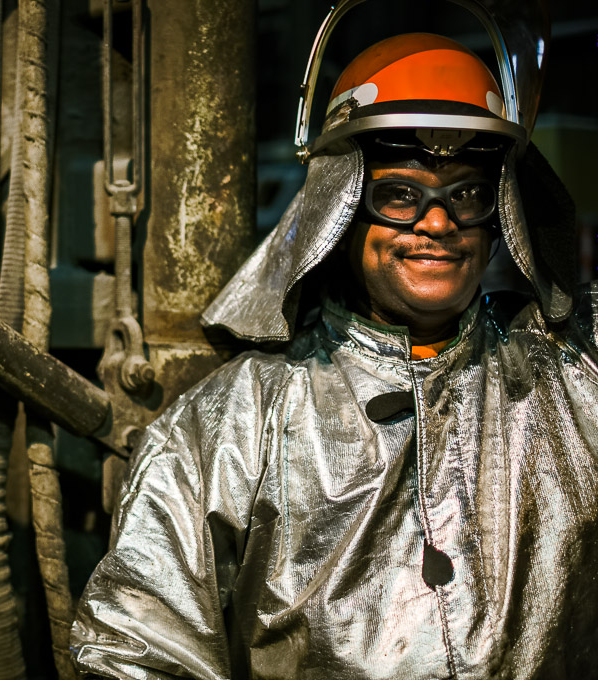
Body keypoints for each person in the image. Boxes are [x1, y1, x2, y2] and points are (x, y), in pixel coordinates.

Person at [69, 29, 595, 680]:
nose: (437, 224)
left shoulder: (575, 377)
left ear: (502, 212)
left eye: (466, 194)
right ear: (340, 208)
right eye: (401, 193)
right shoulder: (226, 428)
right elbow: (134, 654)